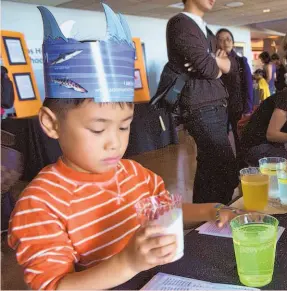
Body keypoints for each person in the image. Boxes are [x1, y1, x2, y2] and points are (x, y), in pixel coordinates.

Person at [8, 5, 238, 290]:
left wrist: (209, 210)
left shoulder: (135, 175)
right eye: (97, 128)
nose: (114, 141)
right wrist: (127, 263)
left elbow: (167, 213)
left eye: (124, 125)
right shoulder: (41, 204)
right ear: (51, 124)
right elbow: (53, 286)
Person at [163, 0, 239, 204]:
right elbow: (211, 69)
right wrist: (214, 61)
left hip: (216, 104)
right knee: (225, 167)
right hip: (200, 105)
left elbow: (229, 64)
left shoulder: (206, 30)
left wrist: (213, 60)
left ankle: (205, 221)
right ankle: (212, 215)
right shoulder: (180, 24)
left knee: (210, 166)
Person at [216, 28, 253, 154]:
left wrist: (247, 109)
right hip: (219, 108)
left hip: (237, 106)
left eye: (228, 39)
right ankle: (225, 168)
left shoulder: (241, 62)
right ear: (216, 43)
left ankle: (241, 168)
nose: (225, 42)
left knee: (240, 140)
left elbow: (248, 87)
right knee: (219, 140)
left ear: (233, 42)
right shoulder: (213, 62)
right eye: (221, 40)